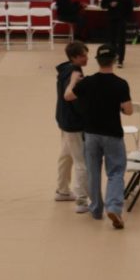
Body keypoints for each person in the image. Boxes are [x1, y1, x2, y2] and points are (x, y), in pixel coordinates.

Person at [65, 43, 133, 230]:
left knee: (93, 172)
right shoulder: (120, 84)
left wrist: (73, 82)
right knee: (116, 172)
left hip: (91, 134)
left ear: (97, 61)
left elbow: (69, 96)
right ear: (114, 60)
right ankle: (113, 207)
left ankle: (96, 209)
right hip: (112, 134)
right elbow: (128, 111)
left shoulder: (87, 82)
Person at [54, 41, 90, 210]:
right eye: (83, 55)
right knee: (81, 161)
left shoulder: (65, 70)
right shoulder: (75, 75)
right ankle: (82, 199)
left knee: (65, 156)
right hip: (74, 124)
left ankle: (62, 191)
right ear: (74, 57)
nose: (87, 58)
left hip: (64, 120)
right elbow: (76, 100)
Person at [100, 0, 134, 68]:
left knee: (121, 41)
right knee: (111, 40)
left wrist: (126, 18)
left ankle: (120, 60)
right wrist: (109, 5)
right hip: (111, 19)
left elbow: (130, 7)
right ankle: (113, 57)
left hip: (121, 20)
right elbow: (102, 5)